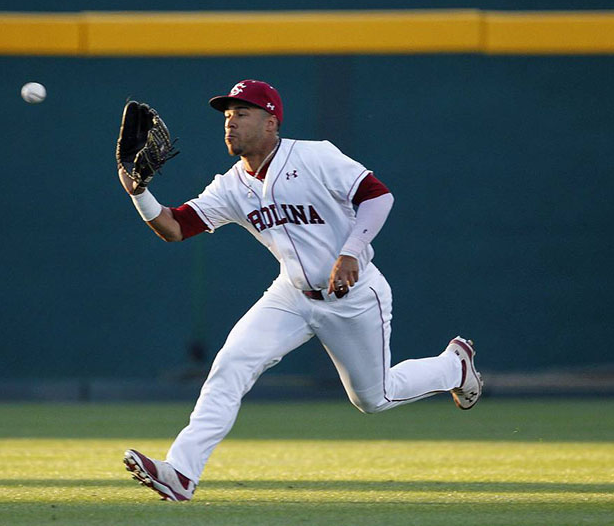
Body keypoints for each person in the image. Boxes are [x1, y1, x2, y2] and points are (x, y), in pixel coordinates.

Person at [118, 79, 483, 502]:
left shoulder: (314, 156)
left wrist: (350, 251)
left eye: (242, 114)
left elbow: (378, 197)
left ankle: (453, 367)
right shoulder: (232, 185)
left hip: (354, 296)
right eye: (227, 115)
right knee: (230, 366)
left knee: (374, 398)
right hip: (290, 295)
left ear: (272, 122)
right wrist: (139, 192)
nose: (230, 123)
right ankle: (180, 472)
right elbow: (176, 228)